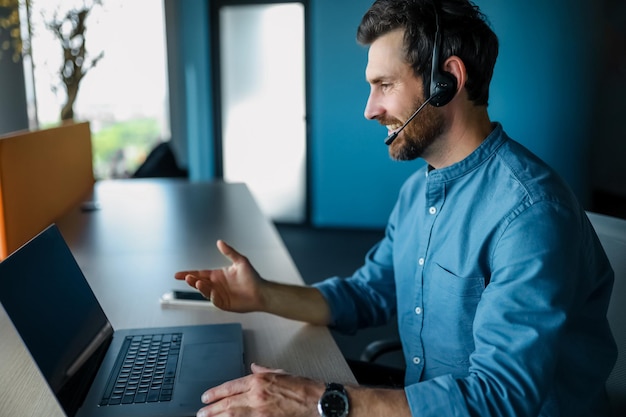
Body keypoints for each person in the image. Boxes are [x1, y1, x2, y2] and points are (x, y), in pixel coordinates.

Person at [174, 0, 617, 416]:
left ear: (447, 82)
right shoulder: (416, 194)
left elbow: (500, 399)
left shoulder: (530, 214)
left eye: (384, 85)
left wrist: (320, 400)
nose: (370, 110)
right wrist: (263, 295)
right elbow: (368, 294)